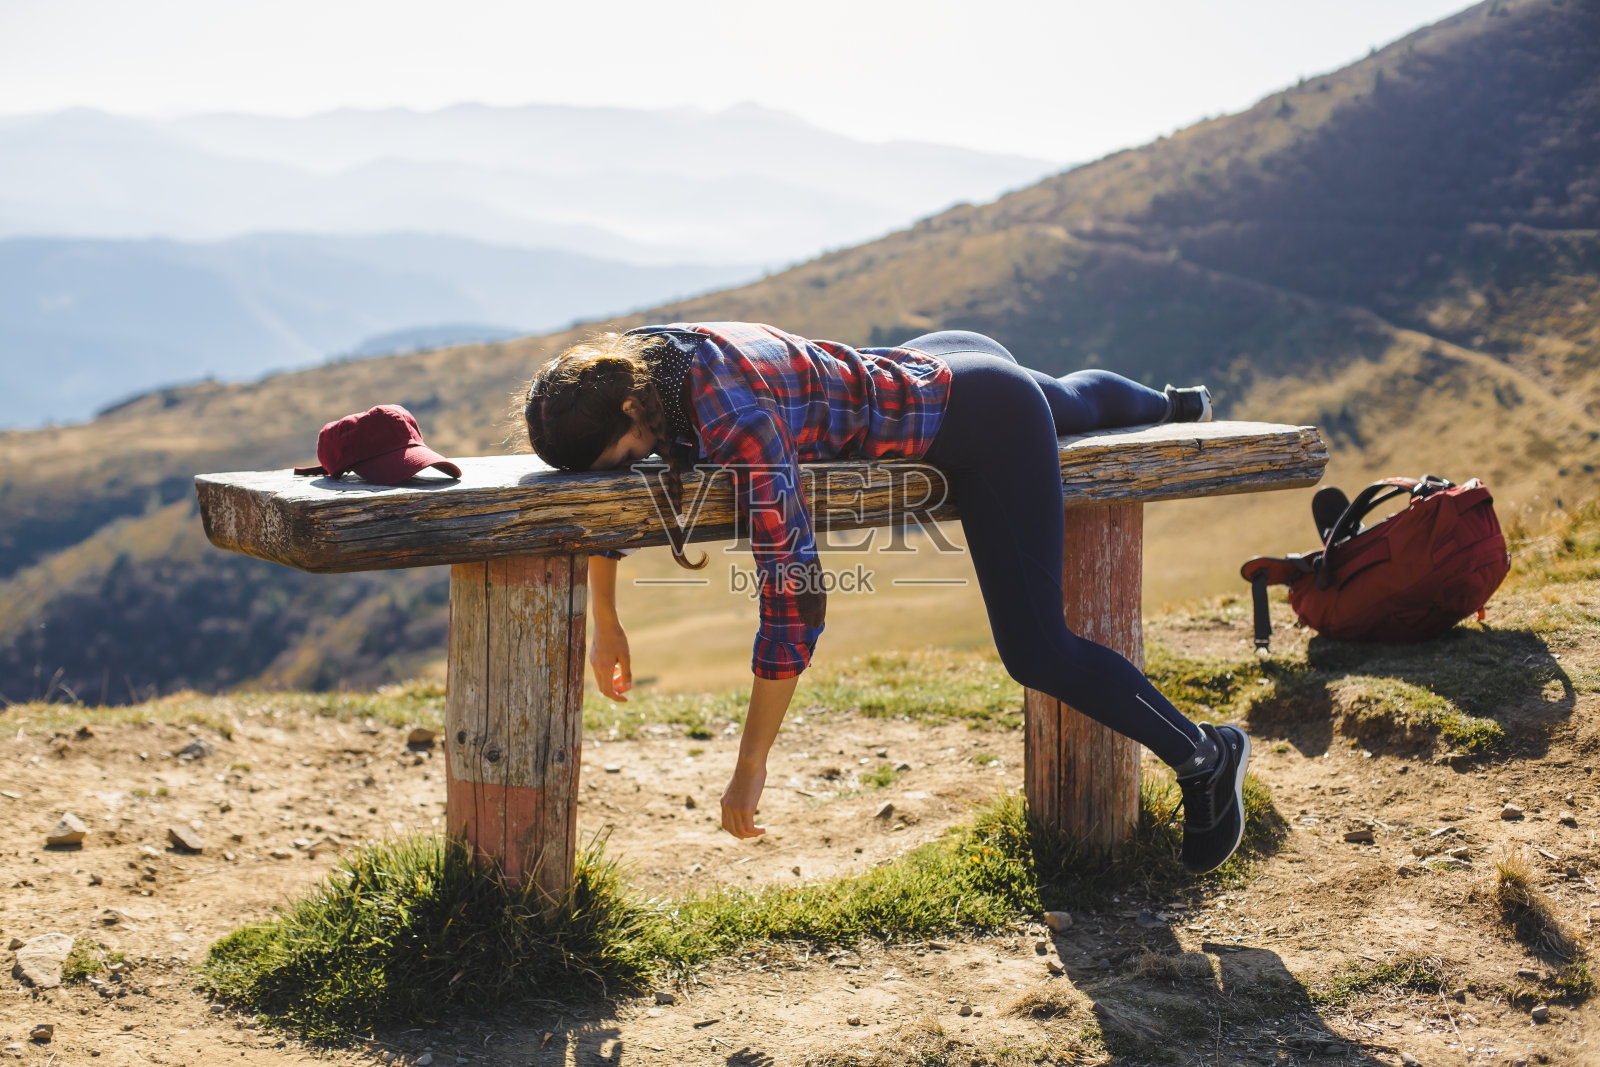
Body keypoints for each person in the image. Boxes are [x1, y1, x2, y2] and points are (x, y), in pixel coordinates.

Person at [522, 322, 1250, 874]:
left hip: (980, 420)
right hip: (935, 365)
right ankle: (1173, 402)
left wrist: (750, 765)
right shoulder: (645, 358)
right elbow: (609, 488)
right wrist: (607, 618)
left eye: (626, 453)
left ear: (627, 406)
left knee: (1036, 648)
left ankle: (1206, 755)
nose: (634, 464)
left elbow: (795, 598)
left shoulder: (735, 418)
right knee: (1059, 397)